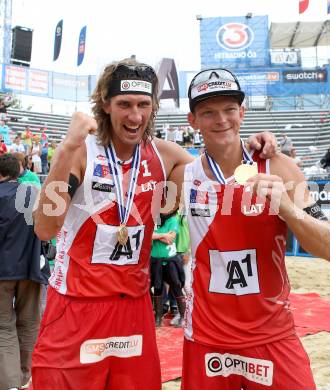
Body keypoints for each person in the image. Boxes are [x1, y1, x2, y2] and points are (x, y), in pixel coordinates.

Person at [32, 58, 277, 389]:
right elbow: (45, 228)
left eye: (144, 105)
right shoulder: (82, 152)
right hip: (75, 306)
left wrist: (253, 145)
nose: (135, 116)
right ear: (105, 104)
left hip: (133, 308)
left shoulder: (166, 156)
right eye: (125, 104)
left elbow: (220, 170)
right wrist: (66, 147)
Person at [171, 68, 330, 390]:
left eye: (229, 110)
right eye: (208, 112)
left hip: (272, 334)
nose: (221, 119)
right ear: (192, 121)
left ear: (242, 113)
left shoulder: (278, 166)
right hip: (207, 337)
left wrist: (288, 209)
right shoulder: (184, 175)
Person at [0, 154, 49, 390]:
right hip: (31, 267)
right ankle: (23, 376)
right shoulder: (34, 193)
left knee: (3, 325)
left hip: (4, 270)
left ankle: (10, 382)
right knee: (29, 321)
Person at [150, 209, 186, 328]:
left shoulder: (173, 220)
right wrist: (164, 235)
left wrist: (157, 236)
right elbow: (148, 235)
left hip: (171, 259)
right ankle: (158, 318)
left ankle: (183, 316)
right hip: (155, 259)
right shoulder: (154, 219)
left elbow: (170, 240)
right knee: (157, 287)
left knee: (176, 287)